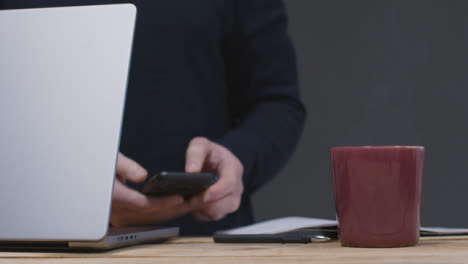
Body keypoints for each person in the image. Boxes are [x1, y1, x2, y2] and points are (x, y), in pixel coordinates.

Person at [1, 0, 306, 235]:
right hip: (28, 239)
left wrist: (238, 157)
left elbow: (276, 102)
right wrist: (60, 180)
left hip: (198, 241)